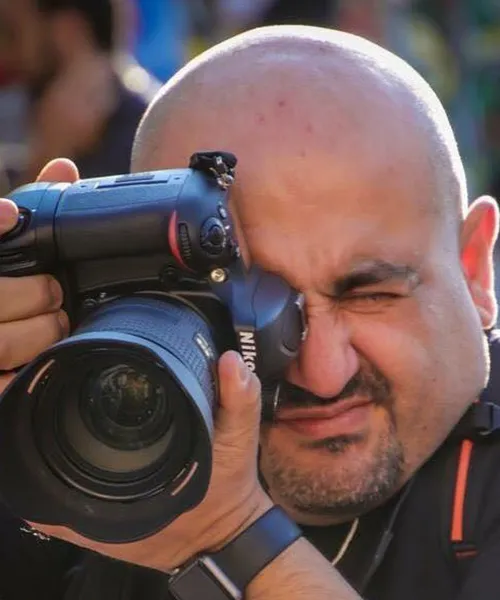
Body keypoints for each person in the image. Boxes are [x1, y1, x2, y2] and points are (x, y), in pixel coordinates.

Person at [0, 24, 499, 600]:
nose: (322, 373)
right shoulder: (75, 441)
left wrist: (227, 538)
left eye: (369, 295)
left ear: (474, 270)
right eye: (242, 311)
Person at [0, 0, 154, 186]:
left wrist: (53, 155)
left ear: (67, 31)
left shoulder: (146, 135)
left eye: (11, 32)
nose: (5, 53)